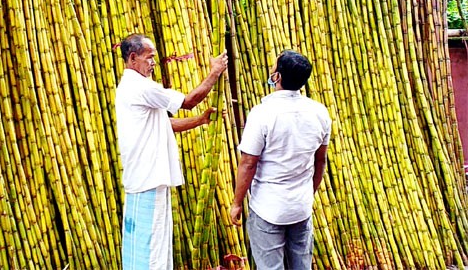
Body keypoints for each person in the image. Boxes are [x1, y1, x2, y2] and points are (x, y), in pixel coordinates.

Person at [115, 34, 228, 270]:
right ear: (133, 58)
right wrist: (214, 72)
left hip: (143, 177)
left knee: (144, 244)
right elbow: (188, 101)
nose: (153, 63)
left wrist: (200, 120)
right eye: (149, 57)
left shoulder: (128, 87)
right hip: (149, 177)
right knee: (152, 246)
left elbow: (164, 124)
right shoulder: (142, 87)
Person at [229, 50, 331, 270]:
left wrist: (237, 203)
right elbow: (320, 161)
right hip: (301, 207)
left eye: (274, 67)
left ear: (277, 77)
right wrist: (308, 193)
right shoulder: (320, 113)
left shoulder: (262, 114)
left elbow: (248, 163)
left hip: (268, 208)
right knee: (301, 265)